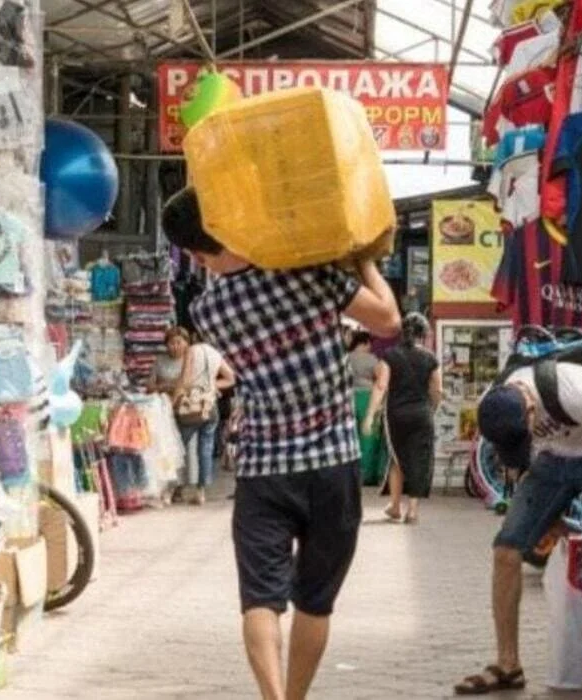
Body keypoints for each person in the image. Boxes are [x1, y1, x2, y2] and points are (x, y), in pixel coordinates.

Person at [162, 187, 400, 700]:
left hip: (262, 470)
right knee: (315, 602)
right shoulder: (307, 272)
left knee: (260, 601)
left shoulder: (208, 311)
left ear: (198, 256)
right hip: (332, 464)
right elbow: (388, 321)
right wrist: (363, 263)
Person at [456, 360, 582, 699]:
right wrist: (544, 518)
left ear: (531, 409)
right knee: (505, 549)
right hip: (552, 461)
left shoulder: (575, 392)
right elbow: (516, 462)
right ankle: (508, 665)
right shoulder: (496, 401)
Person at [362, 312, 441, 524]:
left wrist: (369, 416)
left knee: (396, 458)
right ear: (422, 334)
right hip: (422, 413)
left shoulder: (390, 355)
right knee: (419, 458)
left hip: (396, 414)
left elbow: (381, 386)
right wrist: (431, 409)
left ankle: (396, 507)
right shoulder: (431, 358)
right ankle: (413, 509)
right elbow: (437, 390)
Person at [152, 326, 236, 505]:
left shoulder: (192, 352)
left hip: (191, 408)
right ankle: (201, 492)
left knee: (177, 449)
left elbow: (185, 381)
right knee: (205, 450)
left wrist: (174, 403)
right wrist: (211, 386)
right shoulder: (214, 353)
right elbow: (231, 378)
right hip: (209, 407)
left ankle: (171, 490)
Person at [348, 331, 387, 486]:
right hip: (367, 397)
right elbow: (381, 379)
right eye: (369, 343)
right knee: (368, 437)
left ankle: (353, 474)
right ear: (364, 343)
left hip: (349, 397)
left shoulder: (346, 357)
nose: (370, 346)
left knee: (353, 437)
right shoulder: (371, 359)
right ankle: (367, 474)